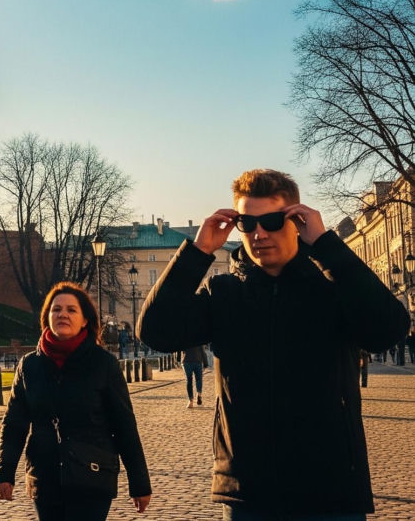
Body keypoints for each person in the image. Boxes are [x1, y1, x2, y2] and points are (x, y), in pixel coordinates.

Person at [137, 168, 411, 520]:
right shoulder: (225, 294)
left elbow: (388, 329)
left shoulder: (331, 287)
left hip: (330, 485)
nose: (259, 233)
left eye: (270, 220)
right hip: (249, 490)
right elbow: (156, 330)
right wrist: (198, 251)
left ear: (296, 221)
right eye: (248, 224)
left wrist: (327, 245)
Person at [0, 281, 152, 520]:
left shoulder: (103, 364)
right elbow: (14, 424)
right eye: (56, 309)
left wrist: (139, 483)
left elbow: (124, 427)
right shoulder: (30, 365)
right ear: (47, 317)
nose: (63, 315)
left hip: (93, 475)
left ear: (85, 320)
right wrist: (4, 474)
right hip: (45, 476)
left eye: (71, 310)